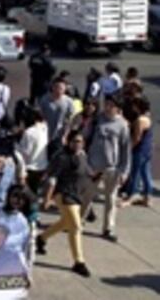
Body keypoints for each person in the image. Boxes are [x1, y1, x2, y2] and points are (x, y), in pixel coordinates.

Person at [37, 130, 92, 278]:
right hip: (63, 194)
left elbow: (87, 172)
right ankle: (79, 262)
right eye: (74, 141)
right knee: (76, 226)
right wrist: (47, 198)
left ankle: (41, 239)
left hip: (77, 194)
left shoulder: (82, 155)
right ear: (68, 141)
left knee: (65, 222)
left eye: (80, 141)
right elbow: (52, 179)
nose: (77, 144)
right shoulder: (62, 157)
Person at [82, 96, 130, 242]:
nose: (108, 108)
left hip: (112, 168)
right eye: (106, 104)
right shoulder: (97, 120)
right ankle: (78, 221)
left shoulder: (122, 125)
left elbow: (125, 150)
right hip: (94, 166)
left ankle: (108, 228)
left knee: (110, 198)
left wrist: (124, 171)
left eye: (111, 105)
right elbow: (84, 138)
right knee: (87, 195)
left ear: (117, 108)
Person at [121, 97, 152, 207]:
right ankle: (147, 197)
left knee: (134, 173)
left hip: (139, 150)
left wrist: (130, 148)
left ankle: (131, 196)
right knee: (145, 173)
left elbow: (137, 137)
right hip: (147, 149)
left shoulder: (140, 120)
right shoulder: (147, 117)